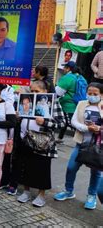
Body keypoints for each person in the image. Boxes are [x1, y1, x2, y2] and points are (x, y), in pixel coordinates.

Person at [15, 80, 65, 207]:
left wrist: (45, 122)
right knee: (25, 166)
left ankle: (41, 195)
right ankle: (26, 191)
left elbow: (61, 123)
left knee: (41, 169)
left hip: (43, 142)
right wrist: (19, 116)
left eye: (37, 91)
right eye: (32, 91)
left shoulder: (53, 103)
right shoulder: (27, 101)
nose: (33, 93)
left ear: (45, 92)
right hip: (26, 139)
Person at [53, 82, 102, 210]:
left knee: (95, 172)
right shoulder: (81, 104)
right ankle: (68, 191)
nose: (91, 96)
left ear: (101, 94)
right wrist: (86, 128)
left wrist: (99, 129)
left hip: (98, 146)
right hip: (80, 143)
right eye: (89, 93)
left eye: (95, 94)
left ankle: (91, 196)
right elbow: (73, 121)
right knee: (71, 168)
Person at [55, 61, 79, 140]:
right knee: (66, 122)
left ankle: (82, 139)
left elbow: (58, 92)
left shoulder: (67, 78)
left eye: (64, 67)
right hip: (76, 104)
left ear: (68, 68)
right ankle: (60, 138)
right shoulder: (79, 77)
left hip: (67, 105)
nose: (63, 69)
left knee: (70, 123)